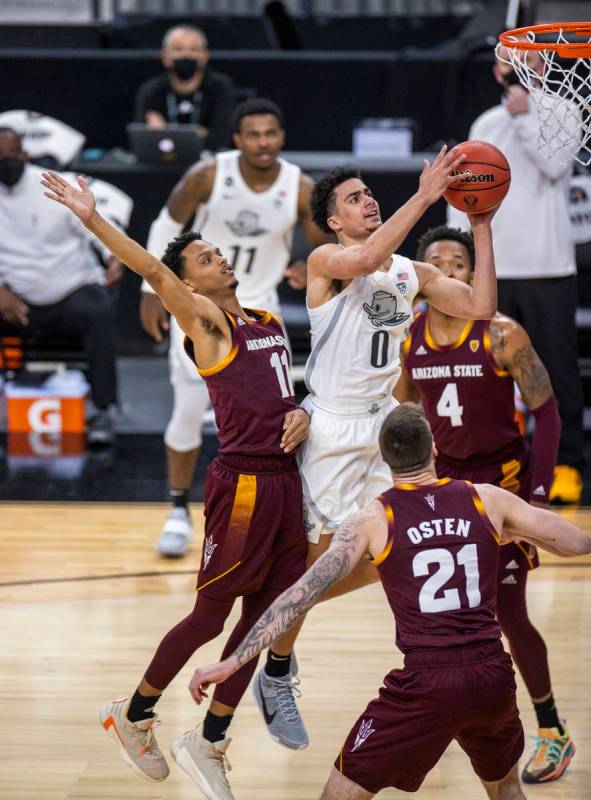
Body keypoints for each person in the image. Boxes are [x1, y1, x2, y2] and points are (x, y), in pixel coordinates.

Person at [41, 169, 311, 800]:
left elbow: (281, 397)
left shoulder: (268, 318)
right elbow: (153, 271)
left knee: (271, 617)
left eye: (216, 251)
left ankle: (210, 739)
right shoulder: (207, 325)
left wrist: (305, 409)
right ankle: (134, 714)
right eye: (203, 258)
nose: (217, 257)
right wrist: (91, 218)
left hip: (285, 485)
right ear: (190, 284)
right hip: (243, 487)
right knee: (210, 616)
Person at [189, 403, 591, 800]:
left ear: (384, 459)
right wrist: (516, 533)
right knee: (505, 789)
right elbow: (576, 543)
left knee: (338, 794)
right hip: (492, 676)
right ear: (435, 449)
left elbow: (296, 598)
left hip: (425, 684)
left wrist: (231, 662)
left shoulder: (372, 519)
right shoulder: (487, 500)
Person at [395, 224, 574, 784]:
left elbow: (547, 412)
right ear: (420, 278)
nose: (447, 268)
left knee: (510, 614)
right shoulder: (409, 337)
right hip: (444, 490)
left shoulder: (501, 333)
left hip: (502, 485)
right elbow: (404, 409)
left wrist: (537, 499)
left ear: (472, 274)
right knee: (443, 611)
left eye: (457, 261)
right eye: (435, 261)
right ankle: (453, 717)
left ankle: (551, 730)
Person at [140, 98, 329, 558]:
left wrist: (310, 265)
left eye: (271, 133)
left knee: (275, 420)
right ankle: (177, 509)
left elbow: (322, 243)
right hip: (200, 310)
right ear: (237, 139)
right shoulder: (208, 175)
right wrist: (153, 291)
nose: (263, 142)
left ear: (281, 137)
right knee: (187, 412)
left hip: (258, 311)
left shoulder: (299, 186)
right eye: (253, 134)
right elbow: (166, 222)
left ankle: (286, 507)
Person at [447, 45, 585, 504]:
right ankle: (495, 461)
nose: (519, 71)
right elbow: (464, 192)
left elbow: (554, 166)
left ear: (543, 67)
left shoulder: (564, 110)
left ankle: (566, 465)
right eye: (510, 63)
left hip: (547, 268)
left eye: (528, 62)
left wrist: (526, 116)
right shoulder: (486, 124)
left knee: (555, 373)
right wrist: (461, 258)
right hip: (494, 270)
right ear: (496, 70)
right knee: (486, 371)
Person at [0, 127, 121, 445]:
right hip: (15, 300)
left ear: (23, 156)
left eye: (9, 158)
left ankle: (104, 410)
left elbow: (95, 225)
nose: (4, 164)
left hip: (70, 291)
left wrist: (115, 258)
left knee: (99, 311)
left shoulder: (51, 185)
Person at [134, 24, 235, 152]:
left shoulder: (220, 87)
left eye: (193, 49)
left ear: (205, 56)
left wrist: (166, 131)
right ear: (165, 57)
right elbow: (141, 142)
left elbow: (221, 140)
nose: (186, 55)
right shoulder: (151, 90)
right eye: (178, 49)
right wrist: (199, 132)